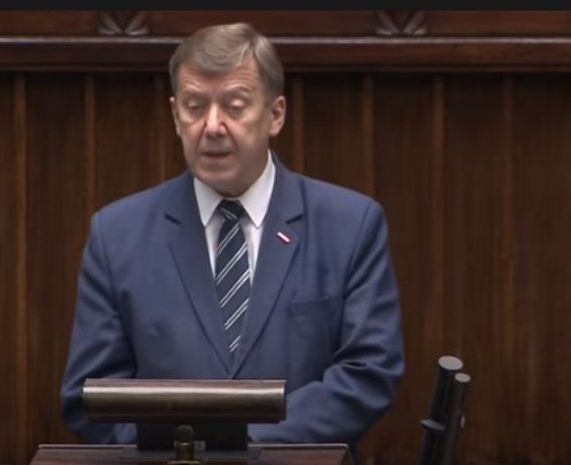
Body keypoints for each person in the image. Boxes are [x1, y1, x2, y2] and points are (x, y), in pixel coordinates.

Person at [61, 22, 404, 447]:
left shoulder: (350, 225)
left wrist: (245, 447)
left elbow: (369, 373)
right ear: (176, 115)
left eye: (235, 106)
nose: (212, 126)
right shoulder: (117, 235)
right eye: (195, 107)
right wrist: (180, 451)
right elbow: (90, 395)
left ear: (275, 115)